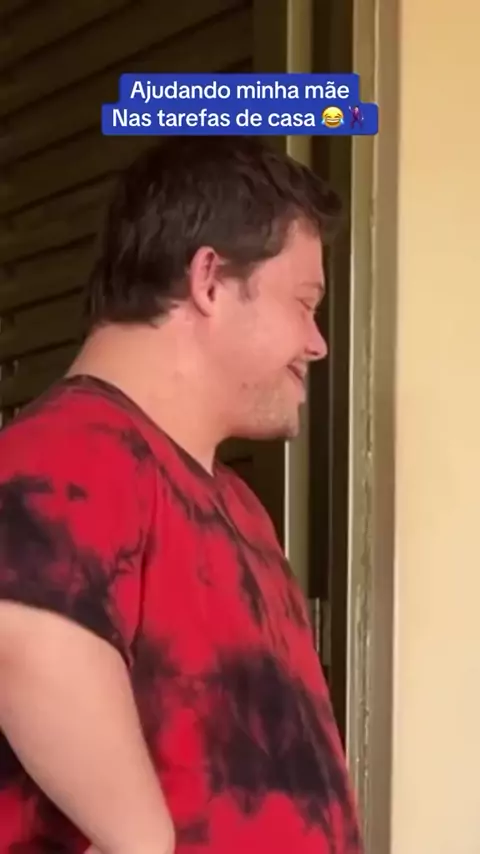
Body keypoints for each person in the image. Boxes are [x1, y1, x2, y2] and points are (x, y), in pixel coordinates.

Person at [0, 135, 363, 854]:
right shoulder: (68, 451)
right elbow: (24, 637)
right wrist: (142, 842)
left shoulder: (238, 506)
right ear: (210, 280)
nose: (317, 342)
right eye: (304, 303)